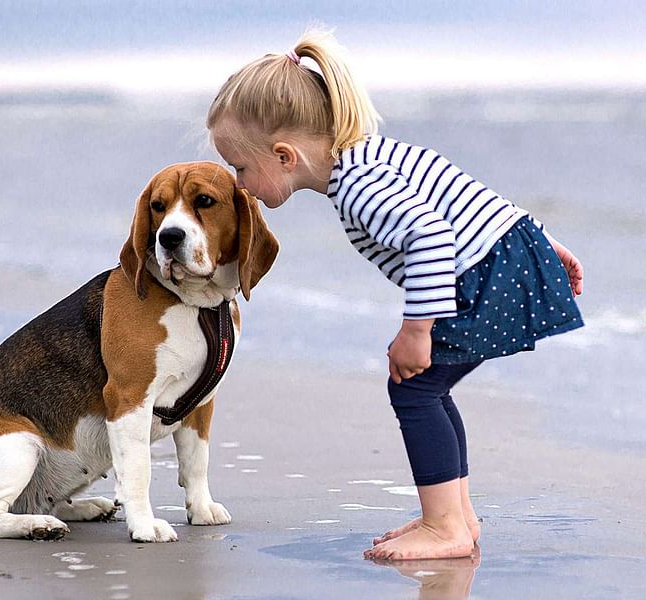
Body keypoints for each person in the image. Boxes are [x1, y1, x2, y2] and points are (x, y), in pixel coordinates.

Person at [207, 29, 584, 560]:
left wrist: (416, 330)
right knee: (428, 390)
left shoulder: (358, 188)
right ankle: (455, 515)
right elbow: (463, 192)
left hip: (482, 275)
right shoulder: (371, 155)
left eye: (240, 167)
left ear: (285, 155)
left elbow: (430, 232)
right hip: (505, 255)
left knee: (415, 389)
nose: (239, 183)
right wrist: (542, 241)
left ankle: (446, 525)